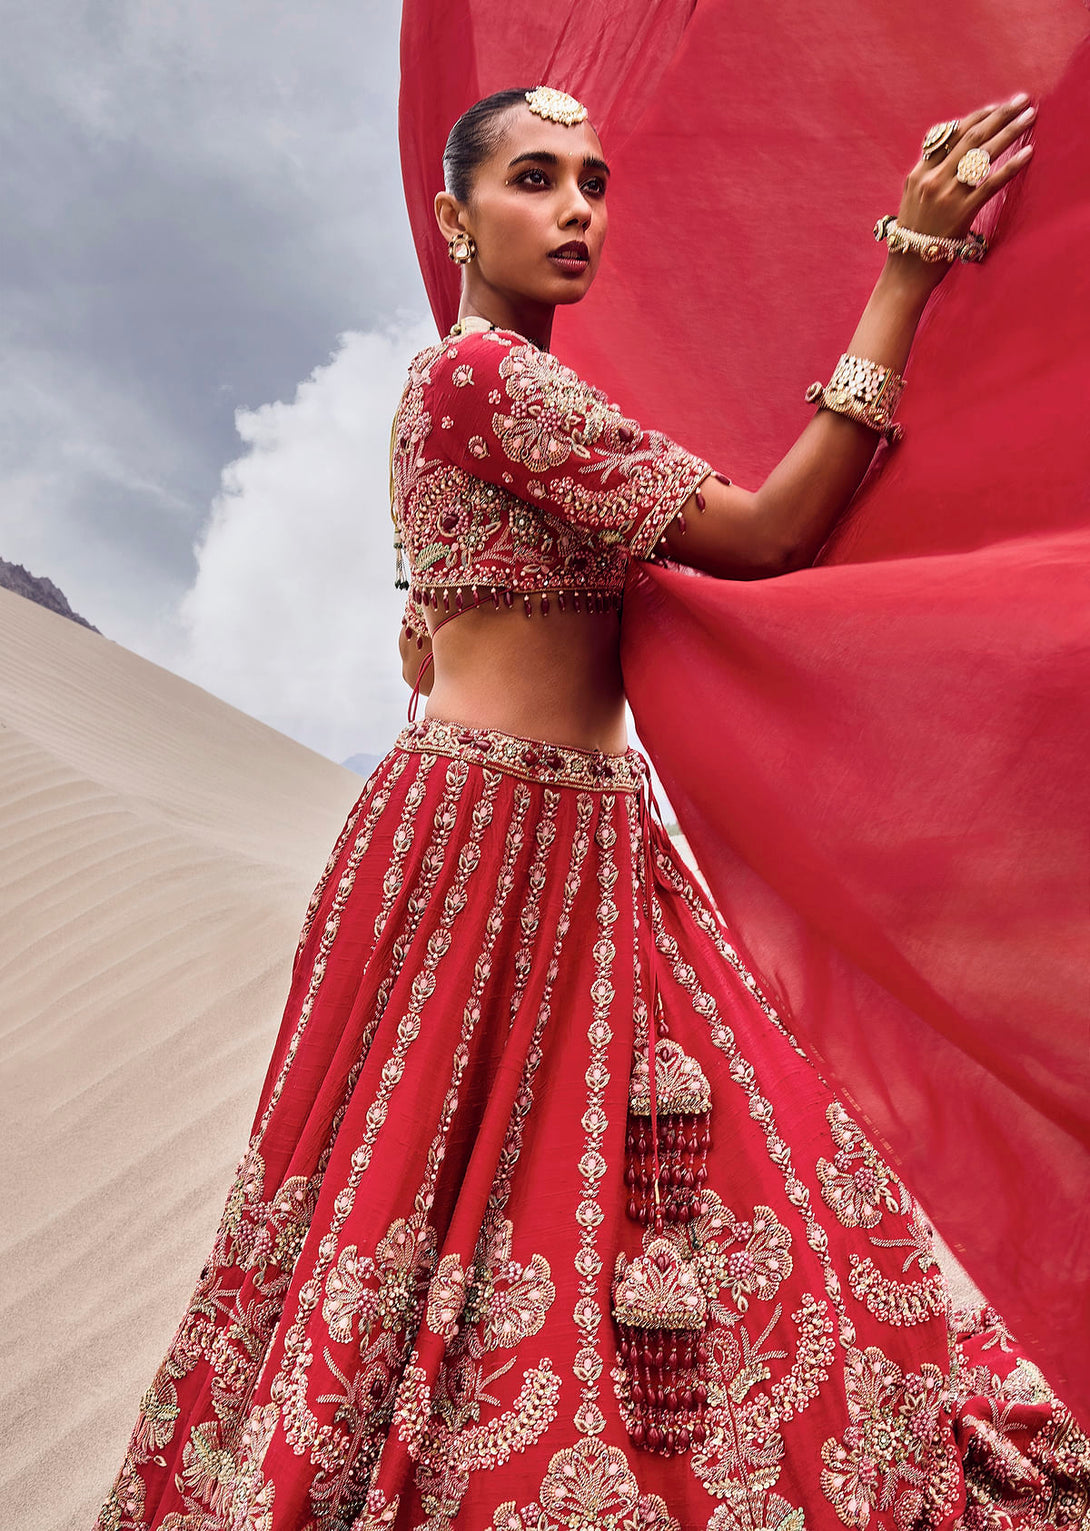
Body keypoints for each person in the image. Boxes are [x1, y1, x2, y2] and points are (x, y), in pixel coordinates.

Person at [95, 86, 1088, 1531]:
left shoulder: (495, 398)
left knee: (682, 1184)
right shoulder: (484, 383)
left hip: (577, 837)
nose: (575, 209)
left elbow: (437, 635)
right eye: (533, 179)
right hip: (490, 846)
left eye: (594, 182)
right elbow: (763, 534)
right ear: (453, 218)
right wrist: (904, 268)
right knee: (434, 1218)